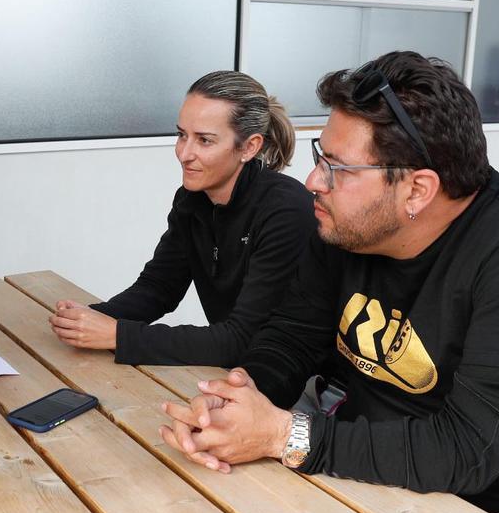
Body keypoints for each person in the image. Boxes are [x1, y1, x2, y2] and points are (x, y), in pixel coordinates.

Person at [160, 51, 499, 513]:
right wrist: (239, 398)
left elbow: (470, 449)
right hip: (379, 474)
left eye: (337, 168)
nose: (314, 182)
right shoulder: (344, 226)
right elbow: (293, 335)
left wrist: (283, 434)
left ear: (418, 189)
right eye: (321, 157)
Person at [49, 71, 314, 366]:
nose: (184, 153)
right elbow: (159, 287)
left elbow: (243, 339)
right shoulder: (192, 199)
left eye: (205, 140)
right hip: (236, 370)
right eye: (181, 135)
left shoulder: (287, 211)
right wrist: (89, 318)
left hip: (298, 385)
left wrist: (118, 335)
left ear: (249, 147)